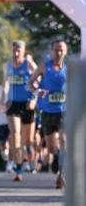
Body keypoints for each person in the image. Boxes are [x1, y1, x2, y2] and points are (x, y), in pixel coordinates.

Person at [28, 38, 68, 189]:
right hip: (47, 111)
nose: (58, 53)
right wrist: (38, 90)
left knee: (64, 141)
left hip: (64, 111)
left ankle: (62, 174)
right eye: (56, 50)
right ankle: (58, 162)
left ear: (65, 52)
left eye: (61, 50)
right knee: (51, 148)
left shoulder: (69, 69)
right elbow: (30, 83)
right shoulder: (44, 66)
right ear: (51, 51)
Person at [3, 39, 37, 182]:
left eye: (19, 50)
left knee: (27, 140)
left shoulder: (28, 64)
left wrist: (34, 99)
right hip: (13, 104)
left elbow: (39, 81)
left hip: (27, 104)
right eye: (14, 50)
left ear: (24, 51)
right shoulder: (7, 65)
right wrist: (4, 98)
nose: (16, 53)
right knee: (15, 135)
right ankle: (18, 168)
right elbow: (5, 83)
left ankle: (29, 151)